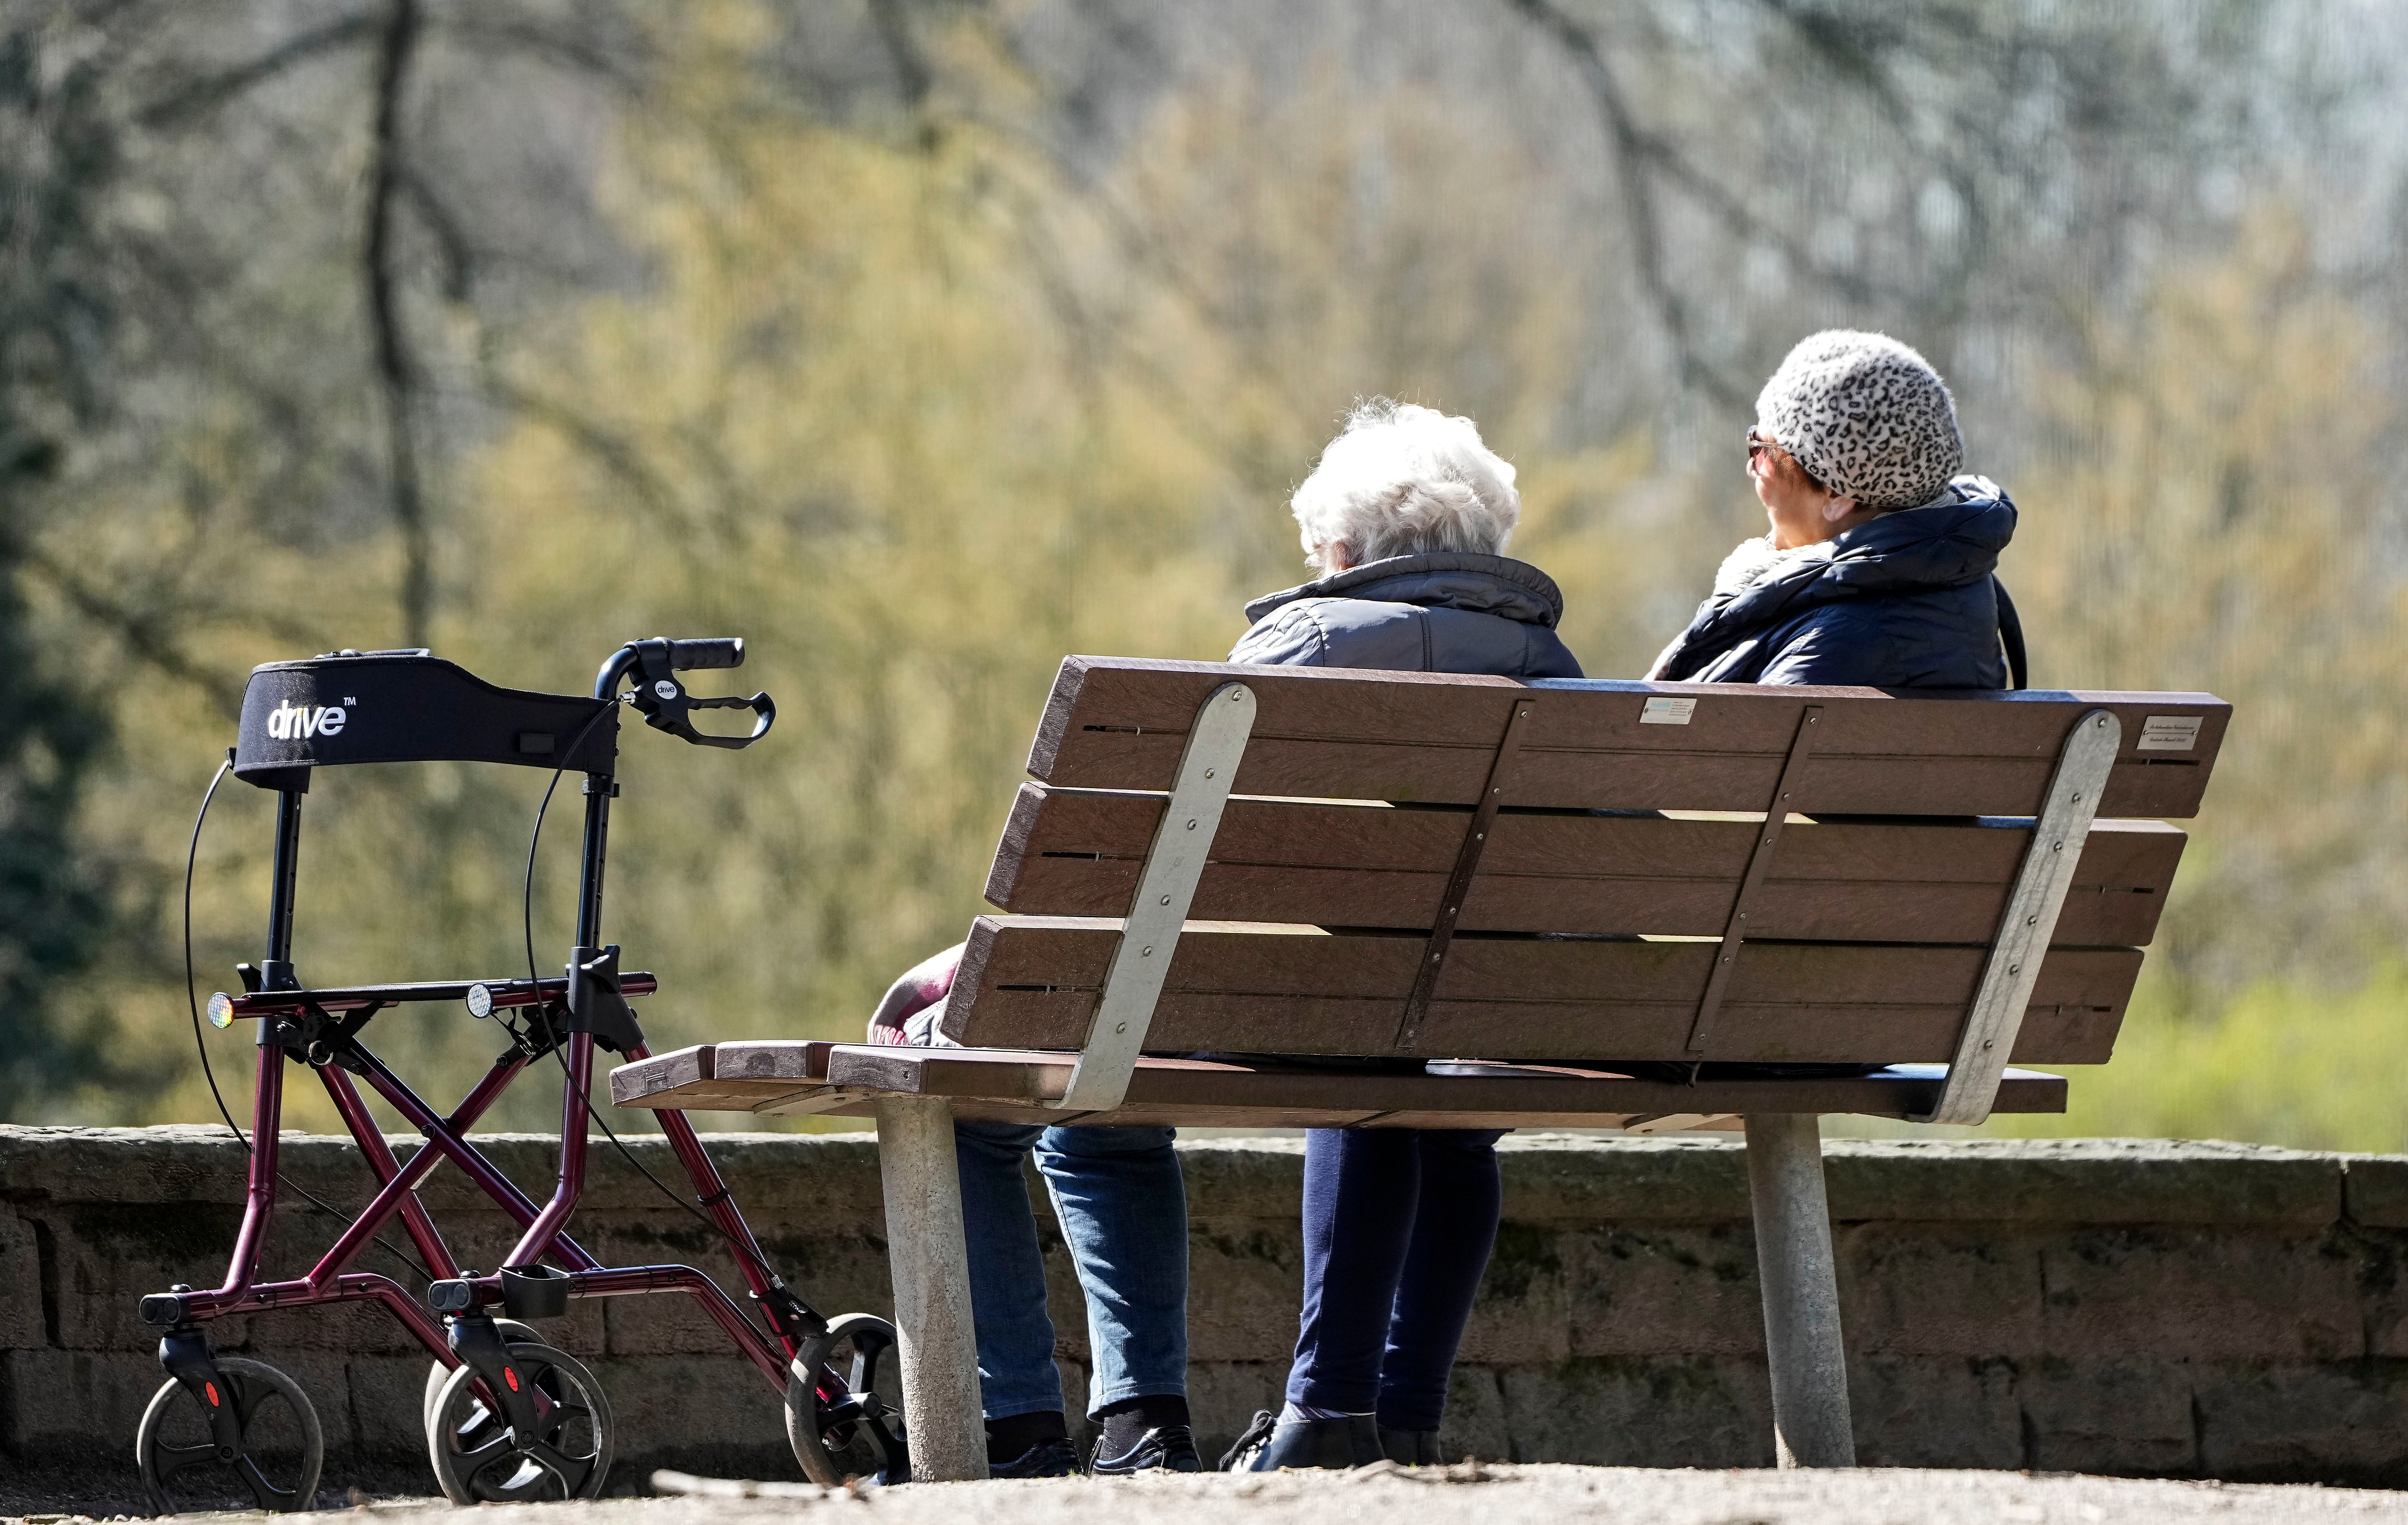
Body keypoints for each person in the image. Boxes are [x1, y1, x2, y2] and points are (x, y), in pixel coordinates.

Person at [1221, 398, 1582, 1472]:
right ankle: (1405, 1409)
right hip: (1500, 1016)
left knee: (1362, 1033)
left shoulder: (1297, 645)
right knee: (1439, 1091)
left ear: (1339, 553)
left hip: (1300, 1006)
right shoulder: (1557, 670)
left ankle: (1327, 1406)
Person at [865, 944, 1198, 1478]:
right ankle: (1145, 1428)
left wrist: (913, 988)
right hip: (1213, 1007)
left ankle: (1017, 1428)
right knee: (1107, 1130)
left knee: (955, 1117)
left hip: (1094, 982)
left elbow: (1068, 919)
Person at [1647, 329, 2014, 688]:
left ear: (1839, 497)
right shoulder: (1952, 584)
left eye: (1763, 451)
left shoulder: (1830, 643)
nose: (1751, 466)